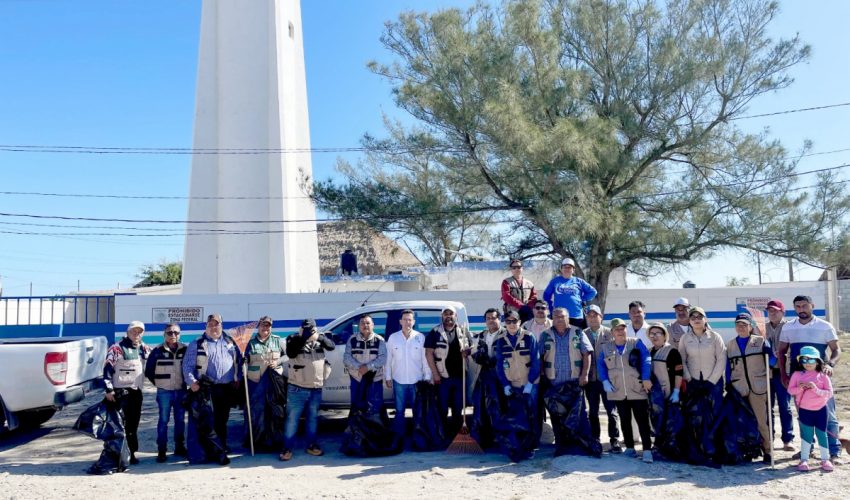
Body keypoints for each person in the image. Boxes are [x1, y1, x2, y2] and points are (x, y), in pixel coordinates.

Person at [778, 295, 842, 463]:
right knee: (803, 414)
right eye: (798, 306)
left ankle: (834, 450)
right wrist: (784, 375)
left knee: (828, 414)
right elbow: (781, 352)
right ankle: (808, 449)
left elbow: (836, 350)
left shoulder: (825, 326)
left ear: (812, 305)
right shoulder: (788, 327)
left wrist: (830, 365)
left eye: (804, 306)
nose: (801, 309)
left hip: (821, 378)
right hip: (798, 379)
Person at [183, 313, 241, 464]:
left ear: (221, 326)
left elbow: (238, 362)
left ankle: (220, 447)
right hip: (206, 389)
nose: (214, 327)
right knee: (208, 422)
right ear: (206, 326)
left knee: (223, 420)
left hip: (227, 388)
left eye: (217, 324)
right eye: (210, 325)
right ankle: (209, 452)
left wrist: (238, 377)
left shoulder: (230, 342)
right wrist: (192, 382)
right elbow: (187, 366)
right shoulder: (197, 343)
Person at [599, 318, 654, 463]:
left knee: (642, 420)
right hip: (617, 389)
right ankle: (630, 448)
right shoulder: (606, 347)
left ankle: (647, 450)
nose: (620, 332)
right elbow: (601, 366)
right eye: (617, 329)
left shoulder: (635, 343)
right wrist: (604, 380)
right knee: (624, 419)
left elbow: (646, 359)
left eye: (622, 328)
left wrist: (646, 377)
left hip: (636, 388)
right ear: (612, 332)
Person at [280, 318, 335, 461]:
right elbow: (291, 353)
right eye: (305, 329)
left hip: (315, 388)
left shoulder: (320, 340)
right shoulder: (293, 338)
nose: (307, 331)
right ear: (301, 329)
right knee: (292, 420)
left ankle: (312, 445)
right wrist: (303, 337)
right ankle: (287, 447)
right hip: (297, 389)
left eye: (310, 329)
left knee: (312, 419)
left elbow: (331, 346)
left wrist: (319, 337)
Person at [678, 306, 726, 465]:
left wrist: (711, 381)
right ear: (689, 321)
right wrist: (689, 379)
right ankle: (697, 452)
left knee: (714, 417)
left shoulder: (715, 337)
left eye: (700, 316)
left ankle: (715, 452)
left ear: (705, 319)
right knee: (695, 419)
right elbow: (682, 360)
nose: (696, 319)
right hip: (693, 384)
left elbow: (721, 360)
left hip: (713, 384)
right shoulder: (685, 339)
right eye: (693, 317)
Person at [726, 313, 776, 463]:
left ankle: (768, 450)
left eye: (744, 325)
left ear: (750, 326)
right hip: (739, 387)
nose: (741, 328)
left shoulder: (761, 342)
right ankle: (747, 450)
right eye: (738, 325)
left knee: (761, 421)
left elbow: (772, 362)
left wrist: (769, 355)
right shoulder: (730, 344)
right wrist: (728, 383)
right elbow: (728, 366)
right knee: (742, 421)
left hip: (758, 387)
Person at [102, 320, 150, 466]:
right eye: (133, 331)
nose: (136, 334)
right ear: (127, 332)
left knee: (133, 425)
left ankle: (131, 454)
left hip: (136, 392)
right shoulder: (117, 348)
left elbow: (156, 359)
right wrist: (109, 390)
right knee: (118, 426)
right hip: (119, 393)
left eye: (139, 331)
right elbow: (106, 370)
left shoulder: (144, 348)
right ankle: (117, 454)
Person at [494, 310, 540, 461]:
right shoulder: (501, 340)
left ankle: (531, 447)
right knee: (516, 418)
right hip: (512, 385)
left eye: (515, 321)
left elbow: (536, 361)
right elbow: (499, 365)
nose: (512, 324)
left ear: (520, 322)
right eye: (508, 322)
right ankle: (518, 446)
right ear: (504, 323)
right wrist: (505, 385)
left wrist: (530, 383)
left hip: (529, 385)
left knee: (531, 415)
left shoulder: (528, 337)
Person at [425, 306, 472, 437]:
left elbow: (472, 347)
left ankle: (457, 435)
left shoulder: (463, 330)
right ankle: (443, 435)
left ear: (455, 316)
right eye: (445, 314)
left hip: (460, 376)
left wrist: (467, 352)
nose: (448, 316)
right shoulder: (435, 332)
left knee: (458, 408)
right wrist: (435, 374)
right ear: (442, 316)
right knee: (443, 408)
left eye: (451, 314)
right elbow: (429, 353)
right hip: (443, 377)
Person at [144, 322, 188, 463]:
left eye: (176, 333)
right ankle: (161, 450)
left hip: (181, 391)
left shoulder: (185, 350)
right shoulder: (157, 351)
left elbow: (190, 368)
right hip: (164, 392)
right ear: (164, 334)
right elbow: (149, 371)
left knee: (180, 421)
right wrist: (160, 384)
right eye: (170, 332)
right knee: (163, 421)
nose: (173, 335)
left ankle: (179, 447)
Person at [243, 315, 287, 451]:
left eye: (268, 325)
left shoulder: (278, 341)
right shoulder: (250, 343)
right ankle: (257, 442)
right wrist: (244, 360)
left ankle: (275, 441)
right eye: (263, 325)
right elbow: (245, 359)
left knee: (275, 411)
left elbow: (287, 355)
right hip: (256, 382)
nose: (265, 328)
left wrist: (278, 362)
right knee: (257, 411)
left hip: (274, 382)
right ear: (259, 326)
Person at [788, 346, 835, 472]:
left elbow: (829, 393)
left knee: (822, 434)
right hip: (804, 410)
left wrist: (816, 389)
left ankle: (825, 459)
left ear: (818, 361)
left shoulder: (823, 376)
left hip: (821, 410)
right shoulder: (797, 375)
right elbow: (790, 390)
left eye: (811, 360)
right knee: (806, 436)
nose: (807, 364)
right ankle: (804, 460)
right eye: (804, 360)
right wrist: (800, 388)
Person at [385, 309, 431, 437]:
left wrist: (427, 376)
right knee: (399, 411)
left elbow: (424, 359)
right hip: (399, 381)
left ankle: (418, 436)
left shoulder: (420, 337)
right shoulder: (393, 338)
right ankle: (399, 437)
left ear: (414, 322)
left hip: (417, 381)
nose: (407, 322)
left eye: (410, 319)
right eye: (405, 319)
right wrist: (388, 377)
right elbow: (388, 359)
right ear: (400, 322)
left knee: (418, 411)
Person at [583, 305, 621, 453]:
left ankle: (614, 440)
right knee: (592, 411)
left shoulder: (609, 333)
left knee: (611, 411)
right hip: (591, 379)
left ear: (601, 317)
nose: (592, 318)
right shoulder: (582, 334)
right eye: (590, 315)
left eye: (595, 315)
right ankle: (595, 439)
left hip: (608, 380)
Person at [469, 307, 506, 448]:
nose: (491, 321)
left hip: (501, 377)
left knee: (500, 408)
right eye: (488, 318)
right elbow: (474, 350)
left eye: (493, 318)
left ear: (499, 319)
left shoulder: (506, 334)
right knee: (481, 408)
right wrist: (472, 353)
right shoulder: (481, 336)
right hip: (484, 376)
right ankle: (484, 439)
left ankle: (501, 440)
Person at [765, 298, 795, 451]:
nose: (772, 313)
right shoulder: (763, 328)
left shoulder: (790, 327)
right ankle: (769, 439)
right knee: (767, 406)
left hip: (784, 371)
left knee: (784, 406)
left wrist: (784, 352)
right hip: (768, 372)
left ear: (782, 312)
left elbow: (795, 347)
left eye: (775, 310)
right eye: (769, 310)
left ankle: (787, 439)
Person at [344, 315, 388, 411]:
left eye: (368, 323)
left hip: (375, 379)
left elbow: (383, 358)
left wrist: (368, 367)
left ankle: (373, 425)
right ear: (359, 326)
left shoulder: (380, 340)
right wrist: (359, 367)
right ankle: (357, 426)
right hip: (357, 378)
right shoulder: (352, 339)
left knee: (374, 408)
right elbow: (346, 357)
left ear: (373, 325)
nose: (365, 325)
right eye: (362, 323)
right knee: (356, 408)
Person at [543, 257, 597, 329]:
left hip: (576, 316)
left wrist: (581, 299)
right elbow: (546, 295)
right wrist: (550, 307)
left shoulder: (579, 281)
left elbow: (593, 292)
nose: (567, 269)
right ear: (561, 269)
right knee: (560, 338)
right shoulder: (555, 281)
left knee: (576, 338)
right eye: (565, 267)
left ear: (573, 270)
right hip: (559, 316)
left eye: (569, 267)